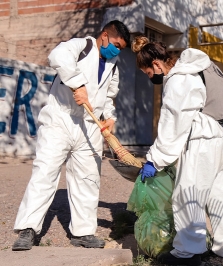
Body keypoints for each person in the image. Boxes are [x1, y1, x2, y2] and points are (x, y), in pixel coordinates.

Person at [12, 20, 130, 251]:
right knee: (45, 172)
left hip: (89, 125)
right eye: (115, 44)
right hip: (60, 120)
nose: (116, 50)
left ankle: (83, 233)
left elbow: (108, 97)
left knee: (88, 179)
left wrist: (110, 118)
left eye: (121, 48)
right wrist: (78, 85)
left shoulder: (113, 64)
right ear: (104, 35)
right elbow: (57, 57)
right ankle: (28, 229)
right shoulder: (80, 46)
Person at [132, 37, 223, 265]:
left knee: (188, 195)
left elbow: (174, 123)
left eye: (149, 74)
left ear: (157, 65)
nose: (152, 79)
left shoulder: (179, 79)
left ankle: (188, 253)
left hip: (200, 139)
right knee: (222, 194)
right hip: (221, 137)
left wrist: (155, 159)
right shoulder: (201, 67)